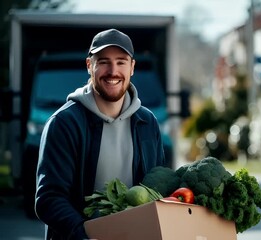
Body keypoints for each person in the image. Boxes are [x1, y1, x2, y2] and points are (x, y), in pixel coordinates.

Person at [35, 28, 166, 239]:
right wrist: (86, 236)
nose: (113, 71)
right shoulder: (64, 123)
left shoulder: (147, 122)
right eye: (104, 61)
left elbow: (157, 187)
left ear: (132, 67)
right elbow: (49, 199)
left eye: (121, 61)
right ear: (89, 66)